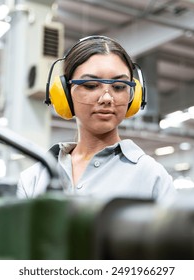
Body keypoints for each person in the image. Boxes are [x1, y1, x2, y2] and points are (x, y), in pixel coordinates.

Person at [17, 35, 176, 203]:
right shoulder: (34, 178)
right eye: (91, 85)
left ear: (134, 95)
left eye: (119, 87)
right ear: (64, 93)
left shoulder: (152, 177)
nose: (107, 98)